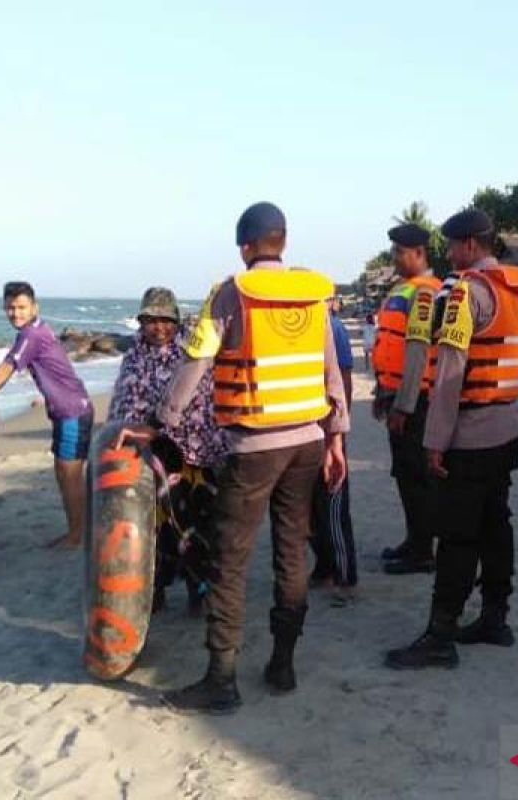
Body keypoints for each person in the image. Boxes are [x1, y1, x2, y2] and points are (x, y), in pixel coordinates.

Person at [122, 202, 348, 714]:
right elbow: (330, 371)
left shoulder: (232, 293)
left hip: (253, 447)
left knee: (229, 559)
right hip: (308, 442)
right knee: (292, 551)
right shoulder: (314, 294)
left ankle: (221, 678)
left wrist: (159, 422)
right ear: (283, 243)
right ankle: (283, 664)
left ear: (245, 247)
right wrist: (337, 436)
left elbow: (196, 362)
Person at [385, 208, 518, 670]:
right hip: (508, 427)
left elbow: (451, 374)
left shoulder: (465, 295)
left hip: (471, 434)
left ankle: (440, 634)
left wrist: (435, 439)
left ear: (470, 245)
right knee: (497, 525)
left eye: (453, 245)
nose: (449, 254)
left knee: (457, 535)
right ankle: (496, 618)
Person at [107, 286, 228, 614]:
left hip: (192, 455)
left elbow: (199, 400)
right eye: (150, 320)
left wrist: (163, 428)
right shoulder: (134, 356)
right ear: (141, 322)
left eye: (165, 320)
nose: (159, 327)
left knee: (195, 522)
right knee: (152, 528)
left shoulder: (191, 352)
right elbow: (123, 401)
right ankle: (154, 591)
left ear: (176, 320)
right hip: (145, 459)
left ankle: (198, 590)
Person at [0, 281, 94, 549]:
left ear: (34, 307)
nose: (15, 313)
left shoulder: (32, 335)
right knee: (64, 473)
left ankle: (77, 536)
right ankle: (77, 530)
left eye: (21, 307)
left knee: (70, 474)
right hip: (68, 411)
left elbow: (7, 367)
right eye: (10, 308)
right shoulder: (35, 330)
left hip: (72, 411)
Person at [373, 222, 442, 575]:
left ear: (419, 253)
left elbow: (417, 354)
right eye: (394, 252)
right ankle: (415, 539)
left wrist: (403, 404)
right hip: (397, 394)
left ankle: (423, 550)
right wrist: (381, 392)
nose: (395, 258)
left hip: (416, 401)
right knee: (405, 474)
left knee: (416, 476)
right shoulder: (403, 290)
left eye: (400, 253)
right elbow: (390, 344)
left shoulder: (426, 293)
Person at [309, 299, 357, 605]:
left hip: (328, 428)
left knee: (334, 506)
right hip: (303, 431)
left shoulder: (333, 327)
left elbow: (344, 378)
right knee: (310, 508)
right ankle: (324, 565)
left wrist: (338, 428)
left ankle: (344, 575)